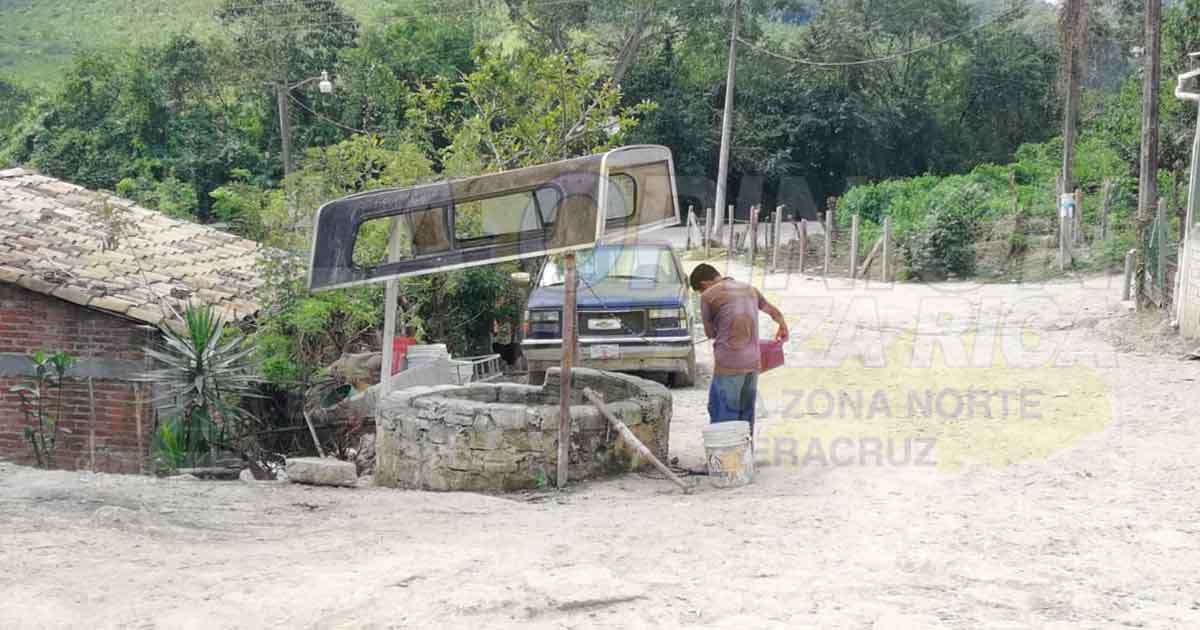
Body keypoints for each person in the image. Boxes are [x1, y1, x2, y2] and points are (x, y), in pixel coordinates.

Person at [689, 263, 788, 442]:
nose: (700, 294)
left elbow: (709, 333)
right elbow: (773, 312)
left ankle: (725, 463)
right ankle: (744, 459)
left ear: (704, 285)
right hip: (752, 364)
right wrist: (783, 326)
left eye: (699, 291)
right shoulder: (749, 289)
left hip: (729, 364)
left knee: (722, 413)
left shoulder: (708, 296)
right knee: (745, 414)